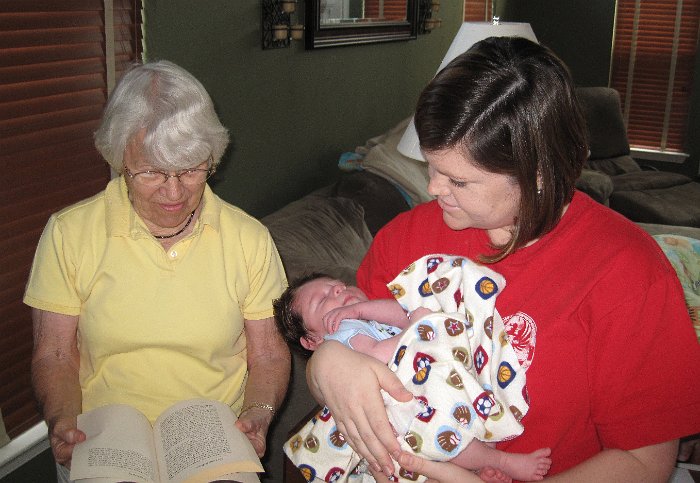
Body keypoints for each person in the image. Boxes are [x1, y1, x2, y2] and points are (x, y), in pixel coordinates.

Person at [305, 36, 700, 482]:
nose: (434, 190)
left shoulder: (628, 273)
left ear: (537, 174)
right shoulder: (405, 239)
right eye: (431, 167)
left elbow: (643, 462)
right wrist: (324, 369)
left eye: (458, 180)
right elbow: (358, 348)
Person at [24, 60, 290, 481]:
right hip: (105, 434)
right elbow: (55, 353)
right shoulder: (68, 233)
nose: (173, 191)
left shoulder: (248, 238)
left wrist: (259, 415)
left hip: (213, 434)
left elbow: (269, 353)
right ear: (118, 159)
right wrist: (62, 422)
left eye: (190, 169)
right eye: (150, 171)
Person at [275, 261, 551, 483]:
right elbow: (378, 355)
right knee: (440, 430)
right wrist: (415, 329)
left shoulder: (363, 318)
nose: (337, 291)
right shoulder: (342, 336)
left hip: (427, 392)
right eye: (322, 300)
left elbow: (401, 313)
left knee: (465, 414)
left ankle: (477, 470)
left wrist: (365, 310)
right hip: (405, 411)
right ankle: (501, 462)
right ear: (312, 341)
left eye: (339, 286)